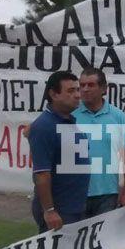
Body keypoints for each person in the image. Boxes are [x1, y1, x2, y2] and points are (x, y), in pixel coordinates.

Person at [29, 71, 90, 233]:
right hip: (61, 211)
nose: (78, 95)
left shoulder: (69, 121)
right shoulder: (44, 126)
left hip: (76, 206)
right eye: (71, 91)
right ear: (53, 94)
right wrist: (49, 211)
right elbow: (41, 174)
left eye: (77, 90)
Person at [73, 68, 125, 217]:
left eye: (91, 85)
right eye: (82, 85)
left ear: (104, 89)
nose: (85, 89)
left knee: (104, 241)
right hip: (74, 194)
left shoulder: (119, 117)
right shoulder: (69, 115)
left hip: (108, 194)